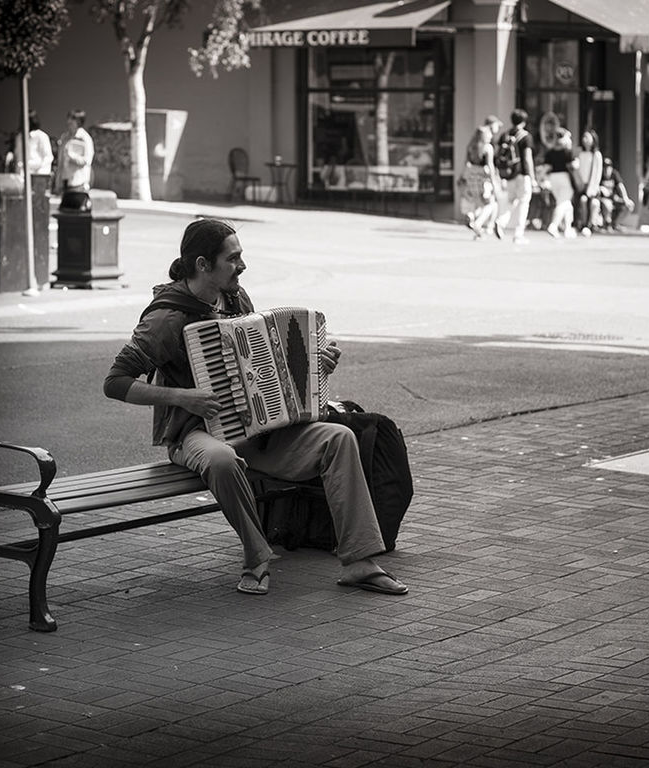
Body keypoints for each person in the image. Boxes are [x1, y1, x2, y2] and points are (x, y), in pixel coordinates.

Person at [103, 218, 408, 597]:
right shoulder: (166, 318)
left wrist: (316, 365)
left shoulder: (236, 299)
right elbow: (115, 383)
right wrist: (182, 396)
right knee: (221, 460)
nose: (242, 266)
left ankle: (359, 561)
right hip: (194, 432)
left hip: (259, 430)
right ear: (203, 265)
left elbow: (267, 365)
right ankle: (256, 558)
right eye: (233, 259)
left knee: (339, 438)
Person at [495, 108, 536, 245]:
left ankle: (500, 222)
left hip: (508, 174)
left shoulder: (505, 135)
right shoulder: (525, 136)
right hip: (522, 175)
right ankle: (519, 235)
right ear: (524, 121)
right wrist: (532, 177)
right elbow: (527, 158)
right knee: (523, 203)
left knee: (511, 202)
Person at [459, 115, 502, 239]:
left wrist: (463, 177)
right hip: (484, 179)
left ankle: (472, 217)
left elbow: (466, 163)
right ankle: (478, 223)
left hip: (471, 177)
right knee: (491, 204)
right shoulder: (488, 148)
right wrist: (494, 181)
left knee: (478, 202)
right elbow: (490, 166)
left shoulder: (471, 147)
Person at [544, 128, 578, 239]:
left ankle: (568, 229)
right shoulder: (567, 151)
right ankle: (553, 225)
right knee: (563, 203)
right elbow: (574, 165)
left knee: (566, 204)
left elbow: (546, 168)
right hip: (565, 178)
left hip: (553, 178)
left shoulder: (550, 152)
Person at [56, 109, 94, 195]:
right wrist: (58, 180)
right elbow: (61, 160)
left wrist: (71, 156)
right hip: (65, 180)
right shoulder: (65, 137)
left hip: (78, 182)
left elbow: (87, 161)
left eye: (72, 120)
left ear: (79, 122)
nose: (69, 122)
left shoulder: (84, 138)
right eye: (68, 119)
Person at [573, 129, 603, 237]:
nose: (584, 140)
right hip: (581, 184)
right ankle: (582, 224)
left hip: (591, 186)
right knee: (582, 201)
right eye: (583, 137)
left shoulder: (596, 154)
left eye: (587, 137)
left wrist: (593, 188)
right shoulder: (580, 153)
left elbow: (597, 173)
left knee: (594, 203)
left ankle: (590, 225)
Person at [592, 157, 635, 232]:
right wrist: (601, 188)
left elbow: (620, 186)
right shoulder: (599, 174)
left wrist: (625, 198)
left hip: (614, 198)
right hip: (602, 199)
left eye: (608, 167)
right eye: (605, 167)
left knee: (630, 205)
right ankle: (607, 224)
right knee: (607, 204)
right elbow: (594, 186)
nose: (606, 169)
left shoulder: (614, 174)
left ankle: (615, 224)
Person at [13, 110, 54, 176]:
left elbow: (48, 158)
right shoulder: (19, 137)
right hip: (21, 176)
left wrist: (39, 172)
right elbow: (18, 157)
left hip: (37, 175)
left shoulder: (41, 136)